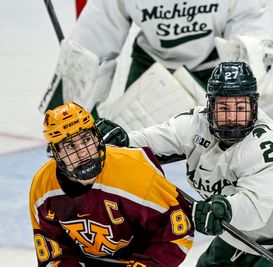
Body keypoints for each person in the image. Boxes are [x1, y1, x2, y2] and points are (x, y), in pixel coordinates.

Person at [97, 62, 273, 266]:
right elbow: (149, 142)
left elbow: (253, 209)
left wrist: (224, 209)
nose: (232, 117)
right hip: (239, 236)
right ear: (210, 106)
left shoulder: (268, 143)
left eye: (240, 108)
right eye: (224, 108)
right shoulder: (193, 124)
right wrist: (123, 140)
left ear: (254, 106)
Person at [38, 0, 273, 127]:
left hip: (215, 69)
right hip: (152, 63)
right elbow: (90, 47)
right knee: (120, 152)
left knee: (247, 152)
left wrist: (240, 83)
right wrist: (69, 114)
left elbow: (250, 28)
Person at [29, 101, 194, 267]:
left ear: (96, 136)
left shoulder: (134, 170)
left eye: (86, 139)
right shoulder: (44, 187)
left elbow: (177, 233)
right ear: (55, 153)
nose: (83, 152)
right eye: (70, 146)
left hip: (140, 259)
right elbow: (55, 252)